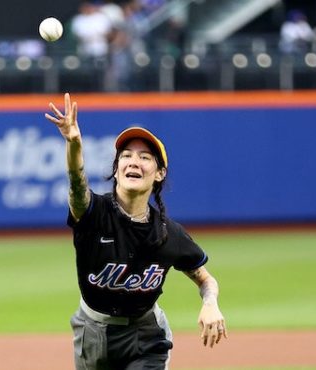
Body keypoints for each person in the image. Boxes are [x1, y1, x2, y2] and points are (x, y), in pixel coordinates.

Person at [45, 93, 227, 370]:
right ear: (116, 170)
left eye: (145, 157)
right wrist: (74, 144)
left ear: (159, 174)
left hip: (146, 337)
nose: (133, 162)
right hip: (92, 332)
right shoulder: (94, 214)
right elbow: (77, 186)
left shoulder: (169, 234)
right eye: (126, 156)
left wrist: (211, 303)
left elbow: (205, 279)